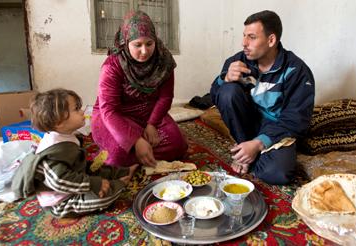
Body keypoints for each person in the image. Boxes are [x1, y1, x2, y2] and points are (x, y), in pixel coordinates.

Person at [210, 10, 315, 185]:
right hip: (247, 122)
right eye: (244, 36)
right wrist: (224, 79)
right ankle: (245, 149)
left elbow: (296, 121)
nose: (244, 43)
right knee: (228, 92)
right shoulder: (237, 61)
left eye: (251, 37)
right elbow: (215, 97)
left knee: (277, 173)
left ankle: (249, 154)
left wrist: (259, 144)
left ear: (271, 40)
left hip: (277, 128)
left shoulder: (297, 71)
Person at [12, 89, 138, 218]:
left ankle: (123, 172)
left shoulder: (65, 136)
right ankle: (121, 183)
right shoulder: (55, 150)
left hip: (74, 179)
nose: (82, 111)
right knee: (103, 197)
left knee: (95, 168)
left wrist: (96, 178)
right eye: (76, 109)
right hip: (62, 201)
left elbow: (79, 165)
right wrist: (94, 184)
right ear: (59, 122)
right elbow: (59, 181)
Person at [91, 11, 187, 168]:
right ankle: (131, 156)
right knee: (118, 153)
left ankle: (133, 159)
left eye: (149, 44)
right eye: (137, 45)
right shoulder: (112, 66)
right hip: (115, 117)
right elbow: (109, 110)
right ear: (126, 42)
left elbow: (166, 97)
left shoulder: (164, 61)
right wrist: (135, 140)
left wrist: (152, 124)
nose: (144, 51)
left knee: (177, 144)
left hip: (148, 114)